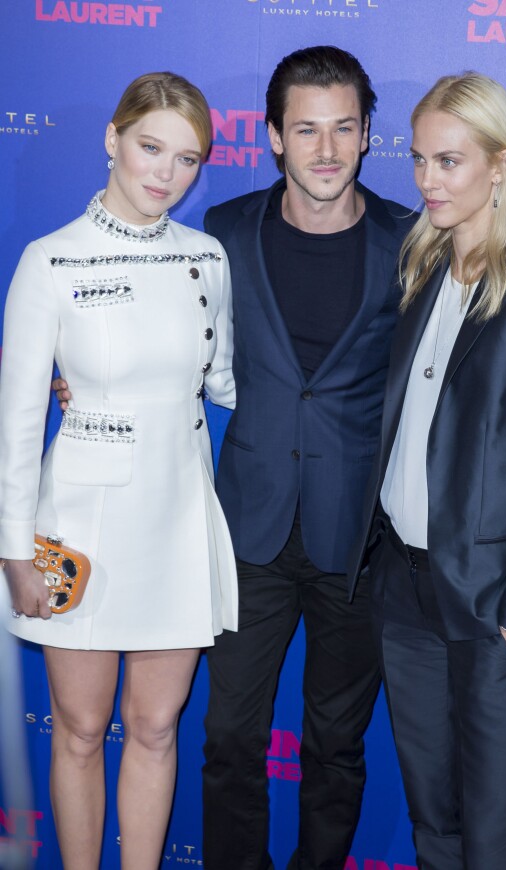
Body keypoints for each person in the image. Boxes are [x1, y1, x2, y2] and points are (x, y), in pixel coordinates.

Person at [53, 46, 413, 870]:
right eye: (306, 130)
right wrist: (93, 384)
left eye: (344, 130)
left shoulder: (410, 238)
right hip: (244, 531)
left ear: (366, 138)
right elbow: (161, 333)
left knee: (336, 748)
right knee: (228, 741)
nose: (326, 150)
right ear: (275, 137)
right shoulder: (221, 234)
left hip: (360, 540)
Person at [0, 72, 237, 870]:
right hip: (80, 530)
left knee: (157, 727)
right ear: (112, 139)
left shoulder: (207, 257)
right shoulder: (50, 260)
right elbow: (19, 419)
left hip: (176, 524)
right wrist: (11, 548)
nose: (166, 173)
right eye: (150, 148)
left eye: (188, 159)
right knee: (76, 730)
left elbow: (228, 380)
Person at [347, 71, 506, 870]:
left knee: (491, 831)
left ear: (502, 164)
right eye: (418, 160)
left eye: (449, 162)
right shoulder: (420, 277)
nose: (425, 181)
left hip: (490, 610)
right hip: (405, 594)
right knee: (432, 818)